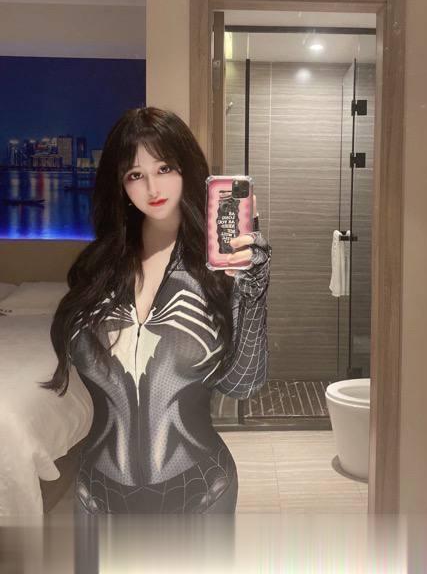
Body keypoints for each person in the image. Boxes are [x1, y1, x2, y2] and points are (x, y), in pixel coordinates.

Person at [41, 106, 272, 517]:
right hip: (95, 496)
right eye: (135, 174)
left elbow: (242, 385)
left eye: (164, 168)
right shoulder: (98, 269)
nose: (152, 187)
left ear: (187, 168)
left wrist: (254, 289)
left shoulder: (220, 268)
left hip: (203, 492)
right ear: (120, 184)